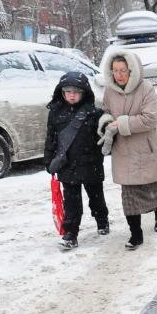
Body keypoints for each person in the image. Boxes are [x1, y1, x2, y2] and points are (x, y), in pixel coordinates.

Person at [98, 48, 157, 250]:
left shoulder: (145, 88)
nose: (119, 75)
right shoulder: (110, 91)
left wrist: (120, 124)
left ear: (132, 70)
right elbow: (106, 112)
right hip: (124, 150)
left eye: (123, 70)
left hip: (146, 147)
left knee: (154, 187)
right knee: (129, 194)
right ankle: (135, 234)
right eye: (115, 71)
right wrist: (105, 123)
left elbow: (150, 119)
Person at [44, 71, 108, 250]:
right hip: (67, 165)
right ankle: (70, 233)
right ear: (62, 92)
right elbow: (51, 138)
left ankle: (102, 219)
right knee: (71, 202)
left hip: (91, 164)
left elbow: (103, 136)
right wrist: (49, 159)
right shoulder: (56, 113)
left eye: (76, 92)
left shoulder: (94, 113)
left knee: (96, 197)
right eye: (68, 91)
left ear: (84, 92)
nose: (72, 95)